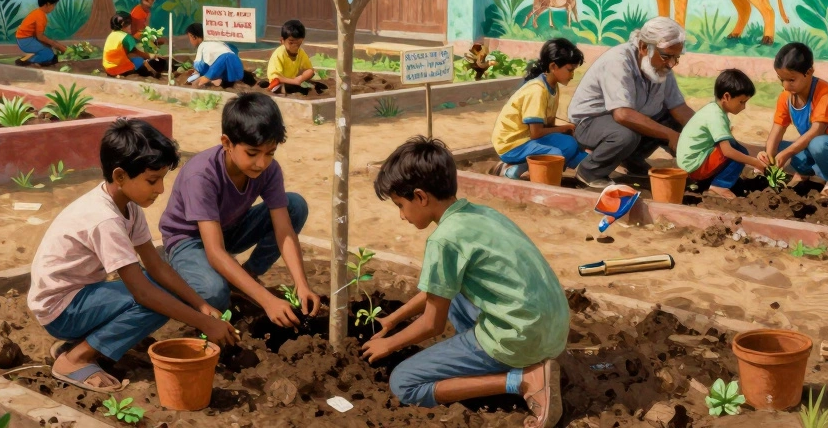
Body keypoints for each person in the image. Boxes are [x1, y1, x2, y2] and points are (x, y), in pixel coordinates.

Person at [363, 137, 566, 428]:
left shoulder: (443, 239)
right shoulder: (481, 214)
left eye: (400, 205)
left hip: (521, 337)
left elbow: (432, 325)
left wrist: (389, 345)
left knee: (404, 383)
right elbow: (438, 289)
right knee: (452, 290)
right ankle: (514, 361)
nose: (401, 216)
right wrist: (393, 320)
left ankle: (522, 380)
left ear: (420, 197)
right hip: (551, 329)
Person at [28, 119, 239, 392]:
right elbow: (143, 292)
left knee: (161, 290)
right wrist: (204, 324)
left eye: (162, 179)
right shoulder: (104, 219)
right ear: (120, 176)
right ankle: (75, 359)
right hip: (60, 310)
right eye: (153, 180)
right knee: (156, 300)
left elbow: (156, 265)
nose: (160, 189)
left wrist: (200, 305)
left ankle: (77, 344)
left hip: (79, 295)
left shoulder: (127, 206)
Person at [159, 92, 321, 327]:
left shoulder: (269, 170)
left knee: (295, 205)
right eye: (252, 153)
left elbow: (284, 229)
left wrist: (301, 283)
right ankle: (177, 267)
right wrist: (267, 300)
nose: (262, 163)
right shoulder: (201, 175)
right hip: (190, 240)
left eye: (270, 153)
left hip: (229, 229)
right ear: (227, 143)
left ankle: (247, 276)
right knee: (214, 293)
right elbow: (214, 251)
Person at [567, 17, 695, 190]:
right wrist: (670, 136)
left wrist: (706, 132)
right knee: (626, 135)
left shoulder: (662, 66)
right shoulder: (618, 61)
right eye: (666, 56)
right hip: (591, 125)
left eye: (676, 58)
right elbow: (622, 114)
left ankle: (631, 160)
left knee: (677, 124)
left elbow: (678, 108)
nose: (672, 64)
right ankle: (589, 171)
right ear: (643, 47)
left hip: (627, 120)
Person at [762, 42, 828, 202]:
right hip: (813, 146)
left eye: (791, 80)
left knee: (816, 144)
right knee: (777, 146)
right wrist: (768, 158)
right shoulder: (786, 97)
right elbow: (777, 129)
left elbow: (817, 131)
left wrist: (787, 153)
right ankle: (804, 172)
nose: (786, 86)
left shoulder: (825, 94)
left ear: (809, 72)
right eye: (782, 80)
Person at [491, 39, 587, 180]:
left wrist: (567, 131)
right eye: (570, 70)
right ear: (553, 66)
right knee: (556, 155)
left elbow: (546, 126)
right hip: (511, 144)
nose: (572, 75)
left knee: (570, 144)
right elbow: (536, 133)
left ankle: (523, 166)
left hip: (527, 138)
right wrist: (563, 128)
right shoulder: (537, 91)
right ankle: (513, 170)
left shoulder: (553, 87)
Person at [676, 69, 767, 199]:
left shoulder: (714, 110)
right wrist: (755, 162)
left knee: (737, 148)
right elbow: (728, 152)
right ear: (726, 97)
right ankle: (719, 186)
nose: (744, 107)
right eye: (741, 102)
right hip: (694, 166)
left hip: (692, 162)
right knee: (737, 152)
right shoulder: (716, 116)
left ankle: (713, 180)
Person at [185, 22, 247, 88]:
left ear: (193, 36)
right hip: (235, 71)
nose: (190, 41)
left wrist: (202, 75)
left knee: (201, 66)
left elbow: (203, 65)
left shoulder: (204, 45)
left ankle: (208, 79)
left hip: (226, 64)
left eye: (189, 38)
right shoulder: (217, 42)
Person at [15, 0, 66, 66]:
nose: (54, 8)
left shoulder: (37, 12)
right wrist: (57, 45)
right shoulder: (40, 16)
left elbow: (39, 36)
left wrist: (51, 44)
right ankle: (27, 61)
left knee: (48, 50)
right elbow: (40, 36)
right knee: (48, 54)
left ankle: (30, 58)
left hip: (25, 38)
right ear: (48, 4)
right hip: (25, 40)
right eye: (54, 5)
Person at [265, 19, 316, 94]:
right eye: (291, 43)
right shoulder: (279, 54)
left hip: (294, 80)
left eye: (298, 44)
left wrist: (301, 78)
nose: (295, 47)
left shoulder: (300, 52)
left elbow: (310, 70)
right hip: (280, 82)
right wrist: (294, 81)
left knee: (310, 79)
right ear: (282, 41)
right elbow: (275, 77)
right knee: (278, 87)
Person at [103, 11, 157, 78]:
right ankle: (150, 74)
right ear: (123, 24)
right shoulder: (126, 37)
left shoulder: (112, 34)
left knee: (132, 58)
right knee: (139, 61)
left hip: (108, 69)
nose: (131, 26)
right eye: (130, 24)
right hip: (119, 69)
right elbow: (136, 52)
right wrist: (150, 56)